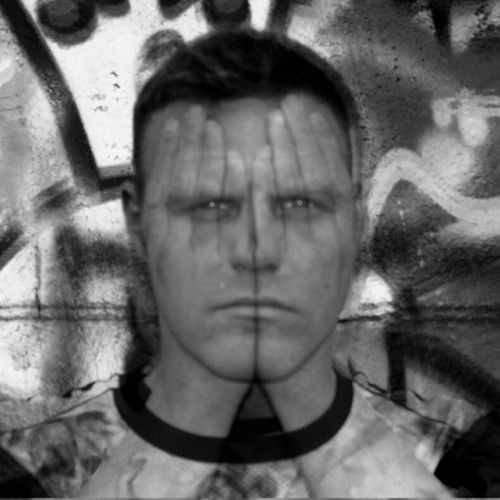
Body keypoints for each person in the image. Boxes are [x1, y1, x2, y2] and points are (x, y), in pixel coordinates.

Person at [0, 28, 492, 498]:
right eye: (211, 204)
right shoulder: (31, 472)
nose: (257, 247)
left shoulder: (459, 464)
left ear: (353, 226)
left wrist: (310, 403)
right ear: (140, 223)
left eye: (300, 204)